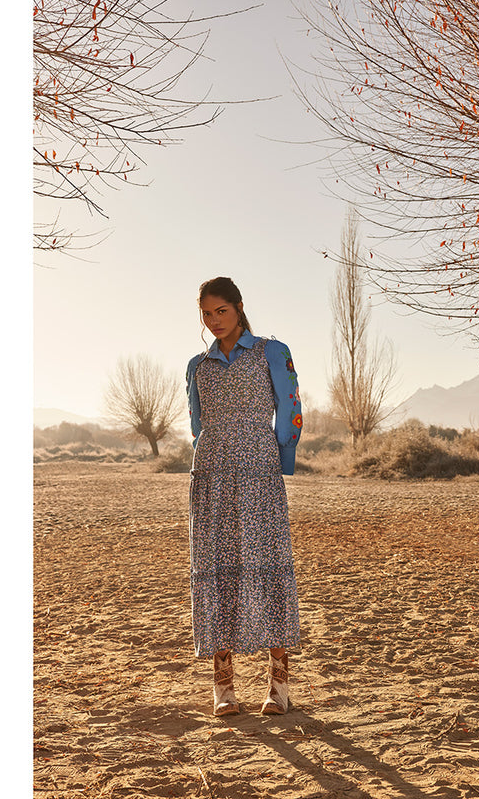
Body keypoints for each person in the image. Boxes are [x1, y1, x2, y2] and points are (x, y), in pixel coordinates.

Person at [185, 276, 303, 716]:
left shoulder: (272, 351)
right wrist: (215, 451)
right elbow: (197, 424)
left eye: (222, 311)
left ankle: (279, 685)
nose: (215, 320)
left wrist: (278, 460)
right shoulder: (198, 365)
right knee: (217, 570)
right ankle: (223, 688)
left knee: (267, 566)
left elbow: (291, 412)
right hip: (212, 475)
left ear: (238, 307)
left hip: (258, 471)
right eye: (207, 314)